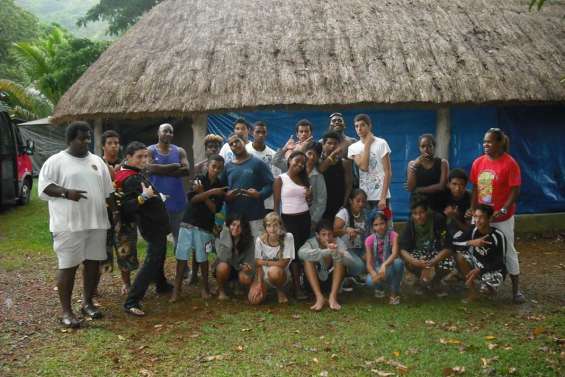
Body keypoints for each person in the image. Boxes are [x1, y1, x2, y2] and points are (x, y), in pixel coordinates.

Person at [38, 121, 114, 328]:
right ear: (70, 139)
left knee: (92, 264)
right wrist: (66, 193)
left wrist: (112, 217)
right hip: (68, 225)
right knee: (68, 266)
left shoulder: (97, 161)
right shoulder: (56, 161)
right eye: (82, 138)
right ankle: (66, 311)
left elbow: (109, 193)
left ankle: (87, 303)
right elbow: (44, 188)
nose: (87, 142)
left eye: (89, 138)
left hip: (97, 223)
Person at [469, 128, 525, 304]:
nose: (485, 145)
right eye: (484, 141)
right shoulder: (478, 162)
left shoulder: (510, 163)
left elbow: (515, 190)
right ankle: (488, 284)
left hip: (502, 218)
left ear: (500, 143)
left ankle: (516, 291)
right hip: (481, 216)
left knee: (508, 251)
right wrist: (472, 209)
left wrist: (503, 209)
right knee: (479, 249)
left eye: (490, 141)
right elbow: (476, 188)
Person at [119, 142, 173, 316]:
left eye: (145, 156)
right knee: (152, 261)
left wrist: (156, 197)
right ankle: (132, 301)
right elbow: (127, 207)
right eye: (139, 157)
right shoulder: (130, 178)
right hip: (151, 225)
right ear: (128, 157)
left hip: (157, 223)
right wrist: (144, 197)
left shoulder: (136, 174)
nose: (144, 160)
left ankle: (161, 284)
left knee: (159, 255)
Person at [171, 155, 227, 301]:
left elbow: (214, 209)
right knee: (182, 257)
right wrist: (211, 193)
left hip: (205, 226)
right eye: (213, 166)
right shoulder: (199, 178)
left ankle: (205, 288)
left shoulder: (221, 186)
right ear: (208, 165)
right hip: (188, 222)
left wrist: (203, 193)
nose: (216, 170)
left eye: (219, 168)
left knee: (203, 257)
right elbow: (192, 199)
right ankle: (177, 290)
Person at [273, 150, 311, 299]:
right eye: (297, 161)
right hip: (288, 220)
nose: (300, 165)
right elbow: (276, 204)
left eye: (303, 163)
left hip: (305, 218)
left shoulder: (304, 180)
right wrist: (279, 223)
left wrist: (310, 196)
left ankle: (302, 283)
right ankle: (296, 288)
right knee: (293, 254)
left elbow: (309, 201)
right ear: (289, 160)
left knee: (302, 252)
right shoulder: (280, 179)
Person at [399, 195, 454, 296]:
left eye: (421, 212)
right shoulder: (411, 222)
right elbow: (402, 249)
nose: (418, 217)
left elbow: (449, 247)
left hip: (436, 252)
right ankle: (422, 282)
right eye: (415, 213)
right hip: (419, 253)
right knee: (409, 262)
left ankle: (435, 282)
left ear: (427, 211)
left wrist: (432, 262)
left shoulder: (438, 219)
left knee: (449, 264)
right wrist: (414, 261)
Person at [222, 133, 274, 237]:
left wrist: (259, 194)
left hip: (255, 216)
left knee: (256, 250)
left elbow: (271, 184)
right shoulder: (227, 167)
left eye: (237, 141)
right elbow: (221, 189)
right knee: (234, 250)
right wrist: (226, 196)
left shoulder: (258, 163)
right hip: (234, 218)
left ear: (244, 142)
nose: (235, 145)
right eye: (231, 144)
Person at [147, 123, 190, 250]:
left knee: (180, 238)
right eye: (165, 131)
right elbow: (149, 168)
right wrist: (175, 166)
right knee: (156, 240)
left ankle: (183, 268)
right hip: (156, 201)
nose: (168, 134)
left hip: (177, 201)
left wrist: (159, 169)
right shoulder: (150, 150)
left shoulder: (179, 151)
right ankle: (156, 268)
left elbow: (186, 170)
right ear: (158, 133)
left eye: (171, 132)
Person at [452, 205, 506, 301]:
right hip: (477, 264)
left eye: (481, 217)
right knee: (459, 256)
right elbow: (453, 242)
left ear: (489, 219)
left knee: (486, 291)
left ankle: (489, 288)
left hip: (493, 269)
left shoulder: (498, 236)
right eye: (476, 216)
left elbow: (500, 263)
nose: (477, 220)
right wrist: (471, 242)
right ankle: (472, 293)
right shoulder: (473, 230)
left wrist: (481, 270)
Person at [298, 220, 347, 311]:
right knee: (308, 260)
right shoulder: (311, 243)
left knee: (340, 258)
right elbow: (300, 253)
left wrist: (337, 252)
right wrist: (326, 252)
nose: (327, 238)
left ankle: (333, 297)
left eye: (329, 234)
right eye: (323, 234)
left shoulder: (337, 242)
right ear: (317, 235)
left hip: (331, 282)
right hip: (313, 282)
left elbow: (352, 261)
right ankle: (319, 297)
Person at [348, 114, 392, 211]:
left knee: (387, 224)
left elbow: (388, 171)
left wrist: (383, 197)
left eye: (362, 125)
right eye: (356, 126)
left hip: (382, 197)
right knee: (367, 225)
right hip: (364, 199)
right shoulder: (353, 148)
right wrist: (367, 144)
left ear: (369, 126)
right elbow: (364, 167)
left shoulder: (381, 143)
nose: (359, 128)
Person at [252, 213, 295, 304]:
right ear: (265, 227)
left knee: (273, 271)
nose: (272, 229)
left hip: (281, 275)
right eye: (268, 225)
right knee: (255, 300)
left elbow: (283, 263)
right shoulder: (259, 240)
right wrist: (259, 283)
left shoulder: (288, 237)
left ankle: (280, 290)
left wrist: (264, 262)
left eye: (275, 225)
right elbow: (257, 263)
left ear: (281, 226)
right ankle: (266, 290)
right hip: (263, 275)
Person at [365, 212, 404, 305]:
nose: (379, 227)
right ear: (372, 227)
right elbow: (369, 263)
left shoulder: (393, 235)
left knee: (398, 263)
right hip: (377, 267)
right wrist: (374, 274)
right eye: (376, 225)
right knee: (370, 281)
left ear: (386, 223)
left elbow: (395, 254)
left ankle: (394, 292)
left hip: (390, 265)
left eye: (382, 223)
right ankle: (379, 288)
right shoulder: (369, 240)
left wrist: (384, 265)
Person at [333, 189, 369, 289]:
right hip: (345, 249)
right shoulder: (343, 213)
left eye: (363, 201)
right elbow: (334, 232)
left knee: (371, 257)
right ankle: (345, 277)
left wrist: (368, 250)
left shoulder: (365, 214)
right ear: (350, 201)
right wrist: (346, 230)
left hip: (359, 247)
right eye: (358, 201)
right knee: (359, 265)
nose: (361, 204)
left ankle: (354, 275)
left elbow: (368, 233)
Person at [215, 214, 255, 300]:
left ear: (244, 228)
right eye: (233, 225)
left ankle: (240, 286)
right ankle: (221, 290)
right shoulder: (223, 235)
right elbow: (223, 258)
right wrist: (228, 237)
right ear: (228, 225)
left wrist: (246, 267)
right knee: (223, 266)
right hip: (226, 267)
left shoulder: (249, 240)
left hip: (239, 269)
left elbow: (249, 261)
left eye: (239, 226)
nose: (235, 228)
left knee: (245, 277)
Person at [406, 134, 449, 213]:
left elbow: (441, 186)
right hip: (418, 205)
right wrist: (415, 165)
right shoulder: (412, 164)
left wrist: (419, 189)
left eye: (429, 146)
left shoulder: (443, 163)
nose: (426, 149)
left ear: (434, 147)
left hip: (438, 203)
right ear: (419, 148)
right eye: (423, 146)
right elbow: (410, 188)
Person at [246, 121, 281, 214]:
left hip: (267, 202)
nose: (261, 135)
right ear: (251, 132)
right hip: (247, 200)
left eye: (263, 132)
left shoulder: (273, 155)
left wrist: (276, 206)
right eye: (258, 132)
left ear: (266, 134)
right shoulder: (244, 151)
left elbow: (275, 180)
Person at [319, 131, 353, 220]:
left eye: (335, 144)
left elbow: (349, 184)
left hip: (339, 203)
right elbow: (321, 169)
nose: (332, 146)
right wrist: (332, 155)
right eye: (329, 143)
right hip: (322, 204)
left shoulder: (345, 162)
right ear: (323, 144)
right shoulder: (318, 162)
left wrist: (344, 203)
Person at [304, 143, 327, 230]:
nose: (312, 157)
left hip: (311, 217)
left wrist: (314, 220)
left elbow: (322, 201)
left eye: (315, 155)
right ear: (304, 153)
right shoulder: (295, 170)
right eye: (309, 153)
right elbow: (276, 161)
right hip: (294, 215)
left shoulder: (319, 176)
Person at [443, 168, 472, 236]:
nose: (457, 188)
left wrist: (454, 217)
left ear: (466, 185)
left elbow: (468, 230)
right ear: (449, 184)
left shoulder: (471, 198)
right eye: (454, 184)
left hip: (462, 233)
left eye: (461, 184)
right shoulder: (442, 196)